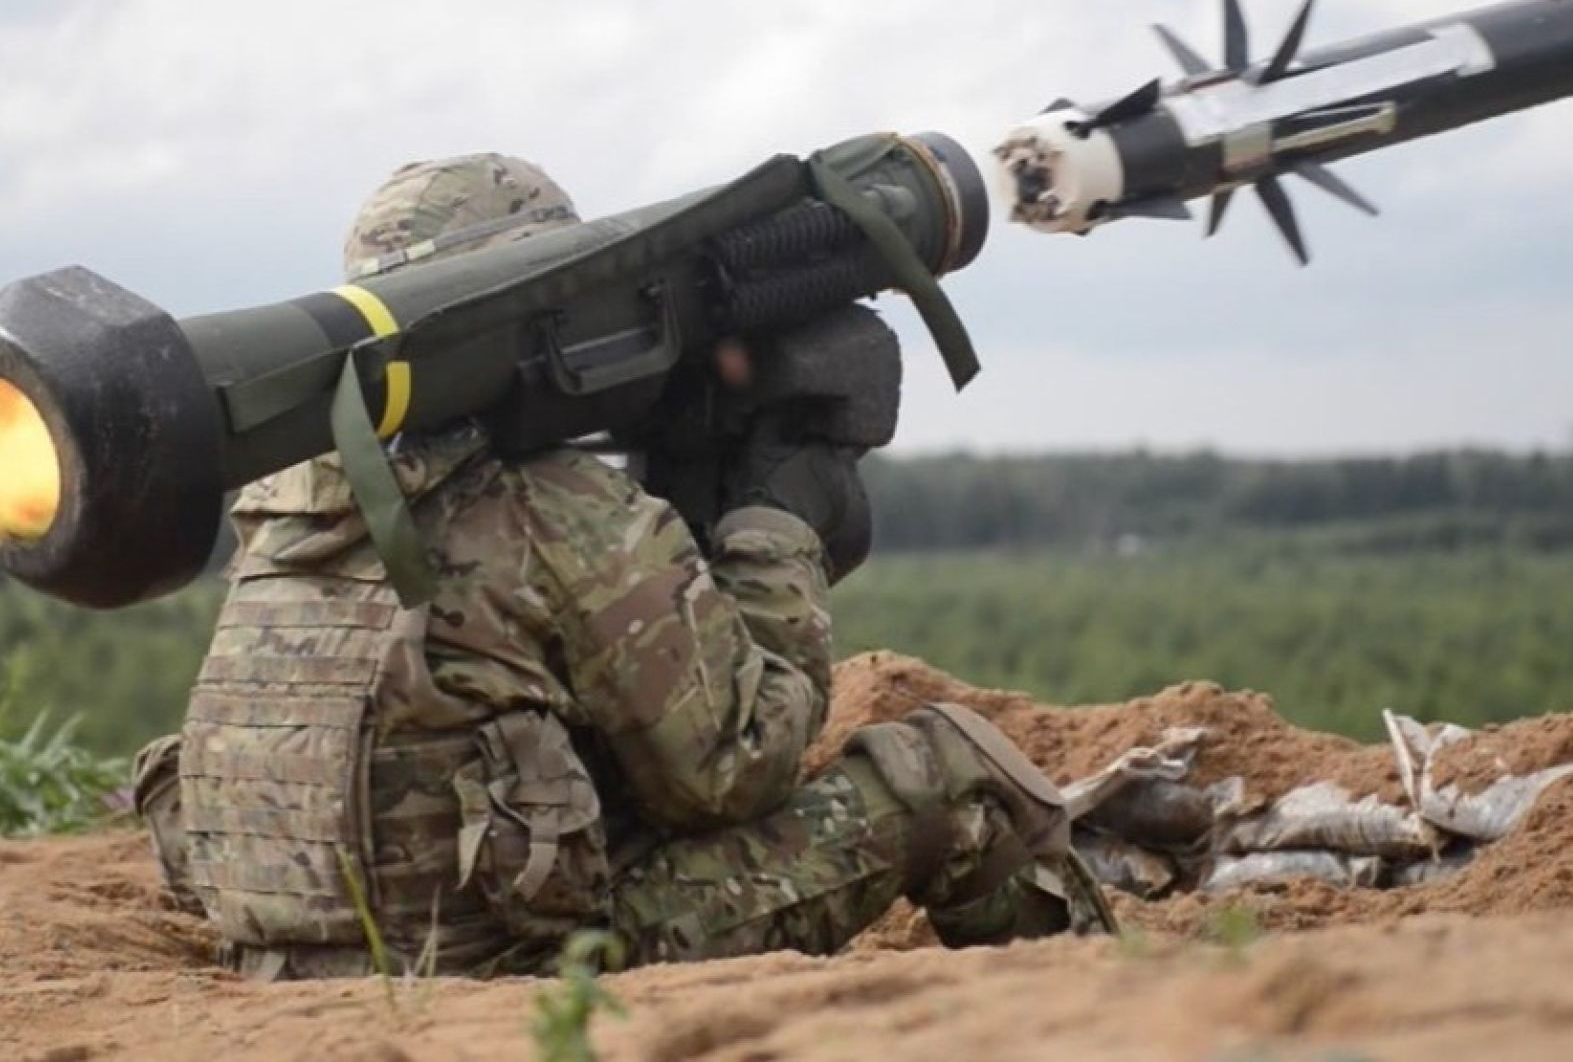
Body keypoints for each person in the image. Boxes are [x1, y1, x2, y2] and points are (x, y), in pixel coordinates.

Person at [132, 153, 1114, 980]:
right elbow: (738, 768)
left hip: (289, 964)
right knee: (951, 776)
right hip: (510, 978)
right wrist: (776, 525)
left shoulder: (285, 499)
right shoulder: (551, 508)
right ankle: (1109, 1010)